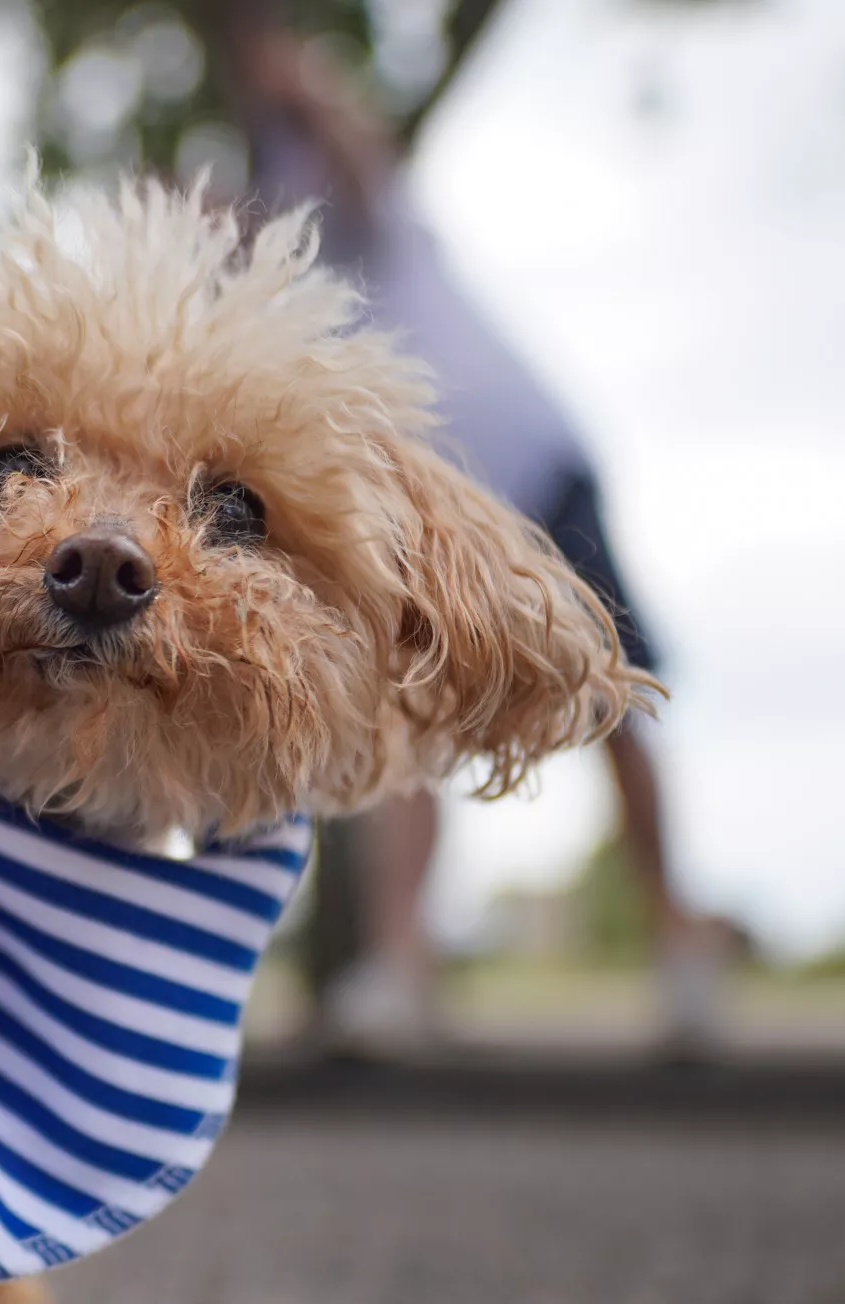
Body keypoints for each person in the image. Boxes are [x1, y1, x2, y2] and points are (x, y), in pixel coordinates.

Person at [229, 18, 728, 1055]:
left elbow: (363, 169)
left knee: (616, 701)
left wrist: (313, 93)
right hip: (419, 501)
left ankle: (680, 945)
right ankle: (402, 965)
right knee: (402, 720)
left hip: (534, 469)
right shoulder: (269, 240)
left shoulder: (363, 198)